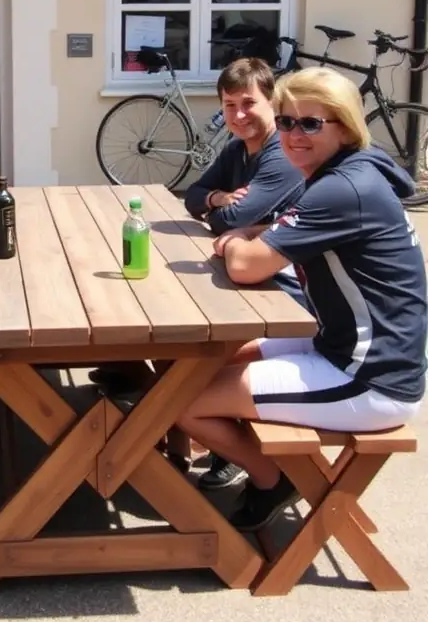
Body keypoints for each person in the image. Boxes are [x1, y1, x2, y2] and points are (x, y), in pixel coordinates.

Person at [177, 67, 427, 532]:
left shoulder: (341, 189)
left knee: (181, 400)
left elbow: (246, 265)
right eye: (288, 121)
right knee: (205, 364)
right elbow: (277, 231)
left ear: (346, 126)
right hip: (342, 345)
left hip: (370, 377)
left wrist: (235, 241)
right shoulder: (347, 173)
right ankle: (241, 463)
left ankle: (275, 479)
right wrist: (251, 232)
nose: (293, 135)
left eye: (311, 123)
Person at [183, 57, 307, 490]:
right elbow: (193, 198)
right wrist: (219, 198)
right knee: (188, 358)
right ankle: (211, 440)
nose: (238, 115)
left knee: (202, 361)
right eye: (229, 104)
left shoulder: (285, 154)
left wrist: (233, 217)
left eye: (249, 103)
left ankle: (237, 451)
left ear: (272, 101)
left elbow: (234, 216)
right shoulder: (237, 149)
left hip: (289, 289)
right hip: (256, 274)